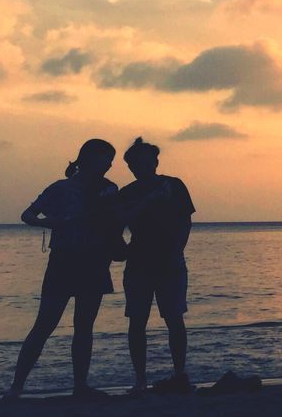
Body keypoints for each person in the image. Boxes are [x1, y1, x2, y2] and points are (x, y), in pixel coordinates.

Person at [6, 139, 121, 400]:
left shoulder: (109, 189)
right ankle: (16, 387)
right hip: (64, 261)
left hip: (95, 261)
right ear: (90, 159)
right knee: (44, 324)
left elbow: (115, 220)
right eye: (106, 158)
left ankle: (80, 385)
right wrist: (52, 222)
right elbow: (28, 215)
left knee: (84, 326)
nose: (110, 164)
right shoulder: (60, 189)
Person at [118, 137, 195, 393]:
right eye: (134, 164)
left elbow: (185, 221)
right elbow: (118, 224)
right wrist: (121, 249)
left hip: (170, 261)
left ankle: (179, 373)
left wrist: (177, 251)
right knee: (137, 321)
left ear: (155, 162)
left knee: (174, 318)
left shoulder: (174, 185)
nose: (139, 167)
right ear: (130, 166)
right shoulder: (127, 193)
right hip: (139, 261)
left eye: (144, 162)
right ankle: (140, 379)